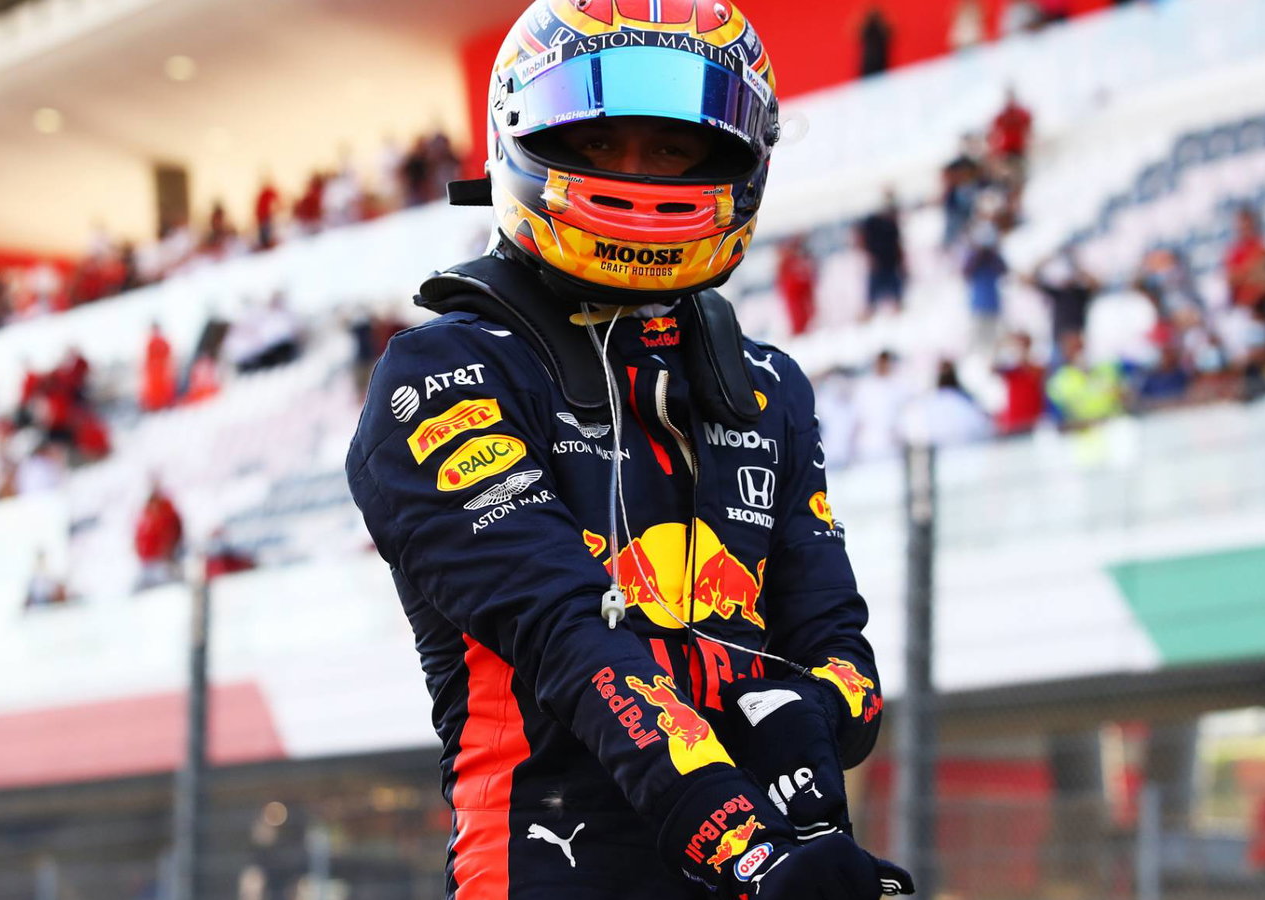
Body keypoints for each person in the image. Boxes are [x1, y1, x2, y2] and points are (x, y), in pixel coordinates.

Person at [345, 3, 915, 898]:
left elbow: (842, 659)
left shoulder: (768, 385)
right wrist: (751, 851)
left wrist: (800, 737)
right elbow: (570, 642)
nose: (638, 177)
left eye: (673, 149)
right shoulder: (443, 373)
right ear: (522, 136)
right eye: (601, 142)